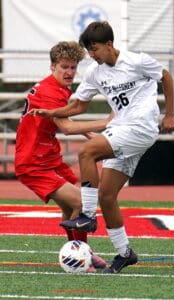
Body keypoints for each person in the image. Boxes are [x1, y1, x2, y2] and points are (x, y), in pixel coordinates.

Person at [29, 21, 174, 273]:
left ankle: (86, 215)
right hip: (122, 130)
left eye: (95, 49)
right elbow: (79, 106)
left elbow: (166, 76)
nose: (92, 55)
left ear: (109, 44)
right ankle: (125, 253)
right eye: (89, 51)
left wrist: (170, 115)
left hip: (141, 127)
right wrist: (52, 111)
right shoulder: (95, 73)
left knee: (87, 151)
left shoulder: (136, 61)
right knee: (107, 196)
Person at [15, 41, 109, 270]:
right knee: (80, 202)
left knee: (71, 208)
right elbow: (66, 128)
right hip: (33, 162)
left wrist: (92, 134)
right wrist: (106, 122)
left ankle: (81, 255)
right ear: (52, 67)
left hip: (48, 156)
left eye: (72, 67)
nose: (69, 72)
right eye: (63, 67)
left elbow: (63, 121)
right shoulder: (51, 93)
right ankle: (81, 255)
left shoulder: (55, 88)